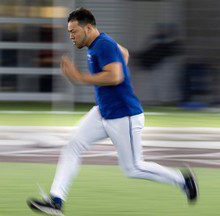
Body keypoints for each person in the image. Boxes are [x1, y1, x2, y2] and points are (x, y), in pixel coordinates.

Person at [27, 7, 198, 216]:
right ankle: (56, 201)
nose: (70, 36)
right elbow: (123, 53)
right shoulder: (99, 44)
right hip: (103, 113)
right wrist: (117, 71)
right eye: (69, 32)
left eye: (73, 31)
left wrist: (79, 77)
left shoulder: (104, 45)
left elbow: (115, 77)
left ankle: (183, 181)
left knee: (133, 168)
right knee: (72, 145)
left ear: (88, 28)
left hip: (124, 116)